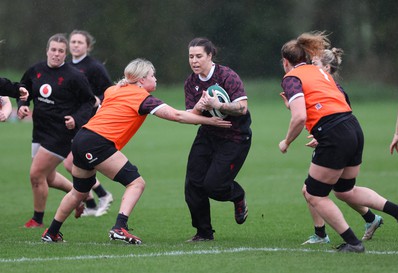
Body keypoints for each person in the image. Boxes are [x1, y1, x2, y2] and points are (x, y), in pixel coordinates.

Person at [41, 58, 232, 244]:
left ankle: (51, 232)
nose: (155, 78)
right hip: (97, 143)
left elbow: (181, 114)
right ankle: (119, 227)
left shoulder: (113, 90)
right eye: (152, 75)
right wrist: (209, 120)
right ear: (141, 80)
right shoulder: (142, 98)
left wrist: (198, 109)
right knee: (136, 183)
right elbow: (176, 115)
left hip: (82, 138)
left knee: (79, 192)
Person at [278, 31, 398, 253]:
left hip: (333, 133)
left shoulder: (291, 78)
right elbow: (329, 100)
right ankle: (396, 211)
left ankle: (353, 243)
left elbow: (299, 117)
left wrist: (286, 141)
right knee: (345, 190)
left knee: (314, 194)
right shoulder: (319, 71)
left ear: (286, 62)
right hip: (352, 126)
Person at [294, 48, 382, 245]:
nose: (310, 68)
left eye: (314, 64)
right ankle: (370, 219)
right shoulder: (322, 85)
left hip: (335, 141)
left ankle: (322, 234)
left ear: (326, 67)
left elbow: (340, 117)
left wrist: (324, 135)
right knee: (339, 190)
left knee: (315, 190)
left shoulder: (333, 88)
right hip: (331, 139)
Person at [18, 33, 95, 228]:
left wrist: (76, 119)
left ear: (65, 54)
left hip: (61, 133)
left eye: (61, 51)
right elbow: (23, 89)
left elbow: (89, 101)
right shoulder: (35, 70)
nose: (56, 54)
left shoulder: (74, 76)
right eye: (53, 50)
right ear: (47, 51)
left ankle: (37, 219)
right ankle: (80, 194)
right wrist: (22, 104)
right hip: (39, 131)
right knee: (48, 177)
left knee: (36, 175)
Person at [183, 37, 252, 242]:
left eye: (199, 56)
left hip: (235, 136)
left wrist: (219, 105)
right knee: (193, 185)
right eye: (191, 57)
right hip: (207, 135)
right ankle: (204, 233)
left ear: (210, 56)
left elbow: (242, 108)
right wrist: (201, 107)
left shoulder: (226, 75)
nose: (194, 61)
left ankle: (237, 195)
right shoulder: (191, 82)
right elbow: (192, 116)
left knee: (214, 186)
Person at [67, 30, 114, 217]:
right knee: (73, 163)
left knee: (74, 162)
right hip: (73, 118)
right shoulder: (67, 66)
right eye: (73, 41)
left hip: (90, 119)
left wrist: (98, 100)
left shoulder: (94, 67)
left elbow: (109, 90)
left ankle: (101, 196)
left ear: (88, 46)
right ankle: (93, 202)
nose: (76, 45)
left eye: (80, 42)